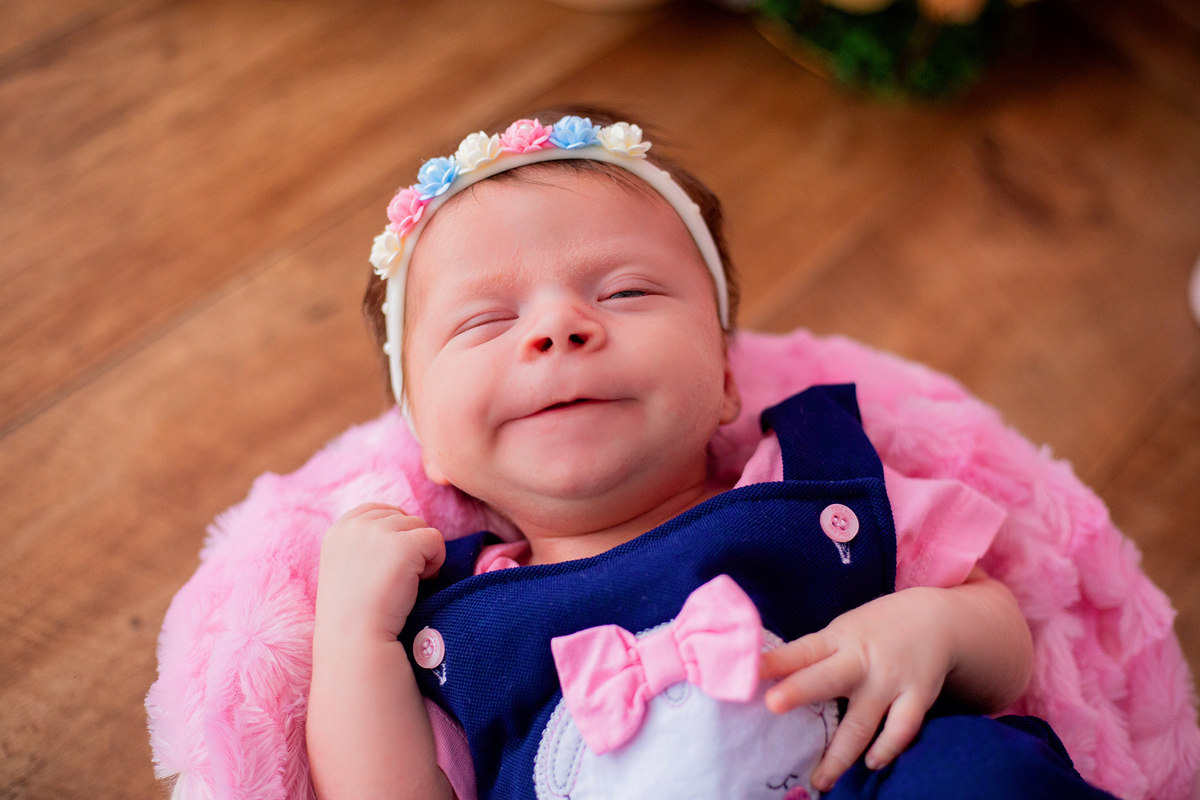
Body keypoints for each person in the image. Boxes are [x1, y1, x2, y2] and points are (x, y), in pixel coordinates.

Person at [305, 107, 1115, 800]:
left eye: (624, 292)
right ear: (429, 445)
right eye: (485, 321)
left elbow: (1005, 646)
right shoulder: (456, 618)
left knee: (979, 772)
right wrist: (352, 633)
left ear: (726, 380)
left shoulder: (809, 491)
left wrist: (934, 626)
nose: (558, 328)